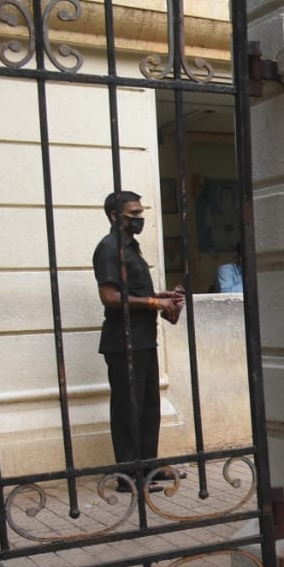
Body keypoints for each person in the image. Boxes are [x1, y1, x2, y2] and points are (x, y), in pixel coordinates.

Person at [93, 190, 186, 493]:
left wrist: (162, 297)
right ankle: (128, 476)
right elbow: (110, 297)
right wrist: (152, 303)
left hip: (144, 339)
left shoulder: (132, 249)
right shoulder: (109, 248)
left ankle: (147, 467)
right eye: (133, 214)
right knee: (128, 408)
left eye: (140, 213)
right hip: (123, 342)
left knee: (148, 406)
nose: (139, 219)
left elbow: (134, 291)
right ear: (113, 216)